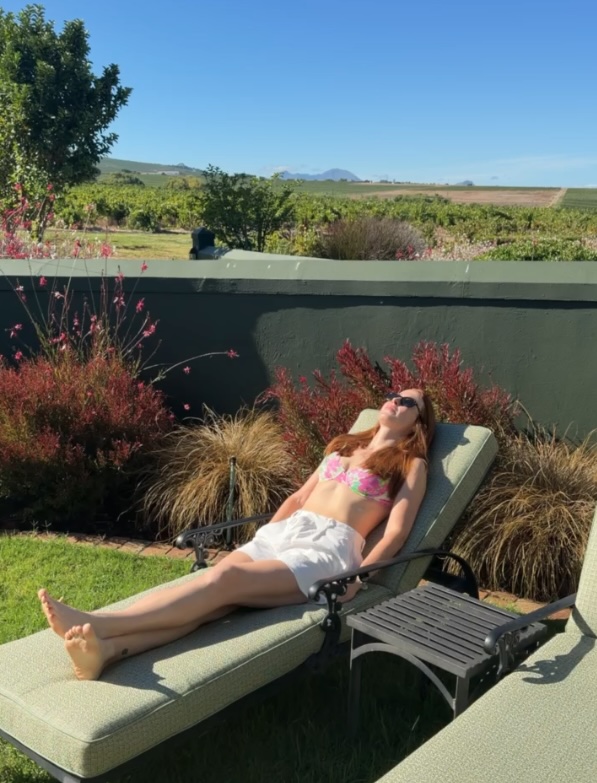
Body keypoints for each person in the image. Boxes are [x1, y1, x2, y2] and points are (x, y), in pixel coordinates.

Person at [38, 389, 436, 680]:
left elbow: (396, 531)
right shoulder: (342, 446)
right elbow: (299, 498)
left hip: (326, 552)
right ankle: (106, 652)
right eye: (392, 395)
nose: (395, 401)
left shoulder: (410, 464)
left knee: (222, 579)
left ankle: (104, 623)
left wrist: (356, 579)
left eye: (408, 402)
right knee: (214, 604)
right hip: (282, 534)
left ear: (419, 422)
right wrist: (266, 533)